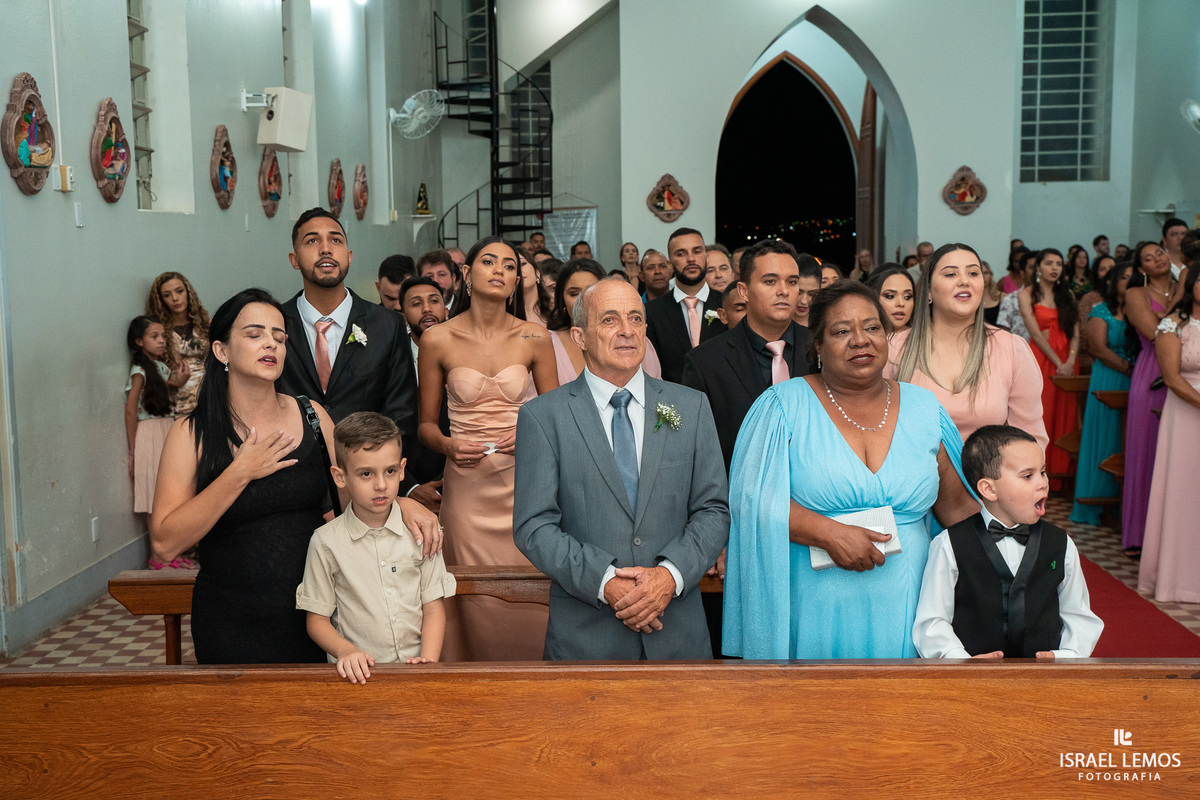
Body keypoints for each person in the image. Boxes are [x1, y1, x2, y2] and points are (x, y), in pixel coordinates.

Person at [150, 289, 439, 665]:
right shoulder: (191, 433)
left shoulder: (312, 416)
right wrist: (240, 472)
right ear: (222, 351)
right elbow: (165, 542)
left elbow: (355, 494)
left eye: (279, 336)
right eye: (254, 334)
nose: (270, 343)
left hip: (322, 616)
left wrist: (402, 504)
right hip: (232, 620)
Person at [723, 281, 977, 659]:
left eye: (872, 327)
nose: (860, 340)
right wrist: (827, 533)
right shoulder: (781, 406)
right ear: (818, 346)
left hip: (911, 603)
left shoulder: (925, 409)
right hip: (814, 603)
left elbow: (958, 510)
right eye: (842, 331)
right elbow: (753, 500)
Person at [513, 277, 729, 659]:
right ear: (579, 336)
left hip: (677, 634)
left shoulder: (690, 406)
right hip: (586, 639)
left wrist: (669, 576)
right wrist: (604, 581)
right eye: (610, 319)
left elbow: (713, 509)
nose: (627, 330)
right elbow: (534, 526)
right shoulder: (543, 417)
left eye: (636, 318)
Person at [417, 236, 558, 660]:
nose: (499, 270)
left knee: (530, 589)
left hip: (524, 483)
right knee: (469, 594)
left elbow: (557, 417)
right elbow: (425, 426)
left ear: (516, 281)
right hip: (467, 488)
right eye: (489, 261)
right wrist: (447, 444)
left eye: (510, 266)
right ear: (467, 273)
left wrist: (531, 433)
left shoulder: (535, 336)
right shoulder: (437, 339)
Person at [277, 207, 434, 502]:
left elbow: (401, 414)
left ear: (349, 256)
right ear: (294, 259)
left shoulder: (386, 325)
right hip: (293, 486)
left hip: (369, 487)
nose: (325, 249)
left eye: (335, 240)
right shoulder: (277, 325)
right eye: (312, 241)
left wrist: (366, 472)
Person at [913, 425, 1102, 659]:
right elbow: (932, 621)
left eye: (1043, 472)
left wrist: (1065, 656)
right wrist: (959, 659)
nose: (1043, 483)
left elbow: (1079, 615)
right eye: (1028, 475)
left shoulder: (1060, 544)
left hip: (1044, 676)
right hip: (973, 675)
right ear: (989, 489)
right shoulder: (949, 544)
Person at [297, 412, 456, 682]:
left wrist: (428, 663)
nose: (381, 485)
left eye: (390, 471)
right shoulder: (326, 543)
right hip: (358, 680)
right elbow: (317, 620)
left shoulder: (421, 534)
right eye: (366, 474)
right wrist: (346, 651)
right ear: (340, 476)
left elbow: (433, 607)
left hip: (415, 674)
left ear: (402, 469)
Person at [887, 243, 1047, 452]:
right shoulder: (895, 348)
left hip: (989, 473)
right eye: (951, 274)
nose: (964, 281)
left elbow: (1030, 441)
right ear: (929, 290)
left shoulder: (1012, 349)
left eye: (973, 273)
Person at [683, 238, 813, 473]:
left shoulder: (820, 348)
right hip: (738, 488)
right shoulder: (705, 362)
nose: (784, 291)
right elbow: (696, 452)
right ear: (744, 291)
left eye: (792, 282)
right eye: (770, 281)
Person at [1139, 264, 1200, 601]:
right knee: (1183, 489)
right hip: (1186, 412)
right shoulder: (1172, 325)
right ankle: (1177, 579)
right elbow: (1172, 378)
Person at [1121, 242, 1177, 556]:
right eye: (1148, 257)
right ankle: (1140, 535)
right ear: (1141, 268)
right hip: (1152, 372)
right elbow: (1156, 333)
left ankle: (1175, 536)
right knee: (1147, 452)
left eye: (1160, 253)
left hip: (1186, 370)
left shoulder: (1186, 288)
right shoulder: (1135, 294)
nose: (1157, 259)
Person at [1070, 262, 1133, 525]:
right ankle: (1095, 500)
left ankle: (1123, 504)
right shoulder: (1101, 311)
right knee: (1105, 436)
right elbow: (1097, 348)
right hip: (1109, 377)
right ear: (1114, 282)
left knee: (1125, 439)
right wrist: (1130, 368)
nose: (1129, 282)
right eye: (1124, 277)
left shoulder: (1141, 311)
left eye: (1134, 278)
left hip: (1134, 381)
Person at [1017, 248, 1079, 486]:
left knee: (1065, 415)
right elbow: (1034, 332)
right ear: (1038, 267)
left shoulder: (1067, 295)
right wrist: (1057, 361)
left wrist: (1070, 361)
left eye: (1059, 264)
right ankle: (1037, 474)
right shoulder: (1026, 294)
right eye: (1049, 263)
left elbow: (1075, 333)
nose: (1055, 268)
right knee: (1041, 414)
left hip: (1067, 361)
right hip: (1042, 359)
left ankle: (1061, 473)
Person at [124, 317, 184, 528]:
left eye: (163, 336)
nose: (161, 341)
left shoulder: (160, 367)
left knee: (171, 492)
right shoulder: (139, 372)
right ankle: (157, 548)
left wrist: (180, 380)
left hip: (167, 428)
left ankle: (172, 546)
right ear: (139, 341)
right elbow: (130, 411)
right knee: (154, 497)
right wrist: (133, 451)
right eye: (154, 336)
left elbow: (166, 393)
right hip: (149, 433)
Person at [646, 227, 725, 383]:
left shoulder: (726, 305)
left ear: (706, 256)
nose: (691, 259)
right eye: (681, 254)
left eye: (697, 251)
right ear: (670, 263)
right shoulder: (652, 312)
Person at [399, 276, 450, 511]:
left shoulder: (465, 353)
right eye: (416, 303)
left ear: (446, 309)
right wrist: (409, 487)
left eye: (434, 301)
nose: (427, 308)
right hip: (404, 481)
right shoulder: (393, 359)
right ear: (403, 315)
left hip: (458, 475)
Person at [145, 272, 208, 417]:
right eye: (167, 295)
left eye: (179, 291)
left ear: (188, 293)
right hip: (179, 405)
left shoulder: (205, 325)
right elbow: (149, 377)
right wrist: (174, 382)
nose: (175, 298)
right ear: (161, 300)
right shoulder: (158, 332)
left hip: (211, 400)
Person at [1076, 254, 1117, 372]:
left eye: (1111, 268)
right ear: (1096, 274)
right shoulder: (1089, 298)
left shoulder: (1125, 296)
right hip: (1093, 356)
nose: (1108, 272)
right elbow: (1083, 330)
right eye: (1102, 269)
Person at [995, 249, 1037, 341]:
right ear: (1022, 273)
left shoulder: (1054, 298)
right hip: (1019, 348)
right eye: (1032, 268)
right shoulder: (1010, 299)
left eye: (1039, 267)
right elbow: (1003, 334)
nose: (1036, 271)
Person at [867, 265, 915, 333]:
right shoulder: (861, 337)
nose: (901, 303)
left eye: (907, 297)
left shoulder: (925, 337)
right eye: (890, 296)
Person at [418, 249, 465, 314]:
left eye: (442, 275)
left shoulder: (467, 310)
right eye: (429, 276)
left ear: (453, 279)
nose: (436, 281)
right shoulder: (415, 312)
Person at [519, 250, 552, 327]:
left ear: (537, 272)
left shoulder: (556, 312)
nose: (518, 270)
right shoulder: (502, 318)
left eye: (522, 264)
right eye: (511, 267)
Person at [793, 253, 822, 328]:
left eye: (811, 294)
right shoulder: (774, 322)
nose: (804, 301)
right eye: (799, 293)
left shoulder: (824, 325)